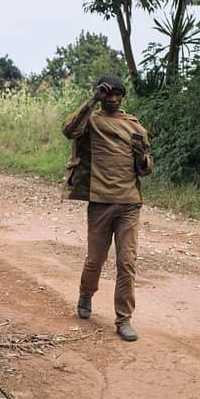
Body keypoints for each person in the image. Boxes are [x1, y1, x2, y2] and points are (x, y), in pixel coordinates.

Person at [62, 74, 152, 342]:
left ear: (123, 96)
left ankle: (123, 319)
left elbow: (147, 169)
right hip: (100, 202)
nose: (112, 98)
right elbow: (68, 130)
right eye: (107, 93)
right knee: (95, 260)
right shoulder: (91, 121)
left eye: (117, 94)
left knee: (127, 263)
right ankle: (86, 294)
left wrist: (141, 157)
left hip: (129, 204)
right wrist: (92, 100)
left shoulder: (134, 126)